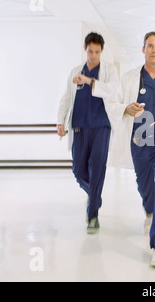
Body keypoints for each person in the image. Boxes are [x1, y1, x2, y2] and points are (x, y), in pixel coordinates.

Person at [92, 31, 155, 268]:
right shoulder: (129, 78)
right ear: (143, 49)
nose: (154, 50)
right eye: (150, 46)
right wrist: (126, 108)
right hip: (139, 143)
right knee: (145, 187)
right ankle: (149, 210)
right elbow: (113, 103)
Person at [57, 32, 119, 234]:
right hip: (79, 127)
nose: (93, 55)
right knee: (78, 170)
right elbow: (67, 97)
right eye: (90, 51)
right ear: (85, 49)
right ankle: (95, 196)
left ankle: (93, 216)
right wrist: (60, 121)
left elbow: (111, 91)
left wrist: (90, 81)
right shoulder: (76, 71)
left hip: (101, 127)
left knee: (97, 169)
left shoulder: (109, 70)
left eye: (97, 52)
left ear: (102, 51)